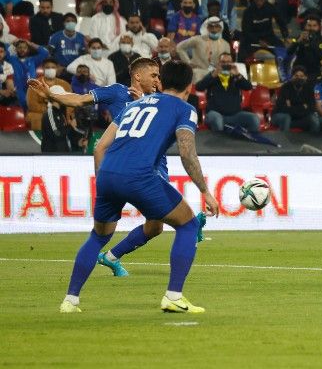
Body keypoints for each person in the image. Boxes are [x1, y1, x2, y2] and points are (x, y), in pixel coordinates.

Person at [57, 60, 219, 314]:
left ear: (161, 81)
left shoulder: (133, 105)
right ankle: (173, 296)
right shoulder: (184, 109)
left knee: (98, 235)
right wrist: (205, 191)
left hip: (108, 173)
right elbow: (187, 153)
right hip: (139, 175)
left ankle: (70, 300)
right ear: (190, 86)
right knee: (188, 224)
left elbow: (102, 145)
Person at [195, 52, 259, 134]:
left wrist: (238, 75)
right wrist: (213, 74)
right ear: (219, 63)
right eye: (223, 62)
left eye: (228, 62)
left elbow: (248, 87)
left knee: (254, 119)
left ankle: (247, 141)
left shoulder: (236, 77)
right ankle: (219, 143)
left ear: (232, 63)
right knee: (217, 120)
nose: (226, 64)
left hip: (235, 115)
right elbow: (198, 87)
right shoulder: (213, 76)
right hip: (215, 114)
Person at [176, 16, 230, 82]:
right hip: (198, 73)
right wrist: (188, 62)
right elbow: (179, 47)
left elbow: (227, 62)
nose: (214, 29)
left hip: (216, 74)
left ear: (220, 28)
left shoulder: (226, 44)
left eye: (216, 27)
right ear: (207, 28)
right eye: (211, 27)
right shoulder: (198, 39)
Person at [271, 65, 320, 133]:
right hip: (281, 116)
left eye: (301, 76)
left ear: (305, 78)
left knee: (313, 119)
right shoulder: (285, 88)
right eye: (296, 76)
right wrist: (303, 107)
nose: (299, 78)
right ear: (292, 77)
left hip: (299, 118)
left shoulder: (309, 89)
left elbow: (311, 107)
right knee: (286, 118)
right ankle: (284, 141)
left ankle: (313, 141)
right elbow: (282, 108)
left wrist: (291, 107)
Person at [287, 16, 322, 81]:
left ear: (319, 27)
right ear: (305, 26)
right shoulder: (299, 38)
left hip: (314, 73)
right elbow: (289, 52)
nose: (311, 28)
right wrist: (298, 41)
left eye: (314, 26)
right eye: (309, 25)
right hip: (298, 72)